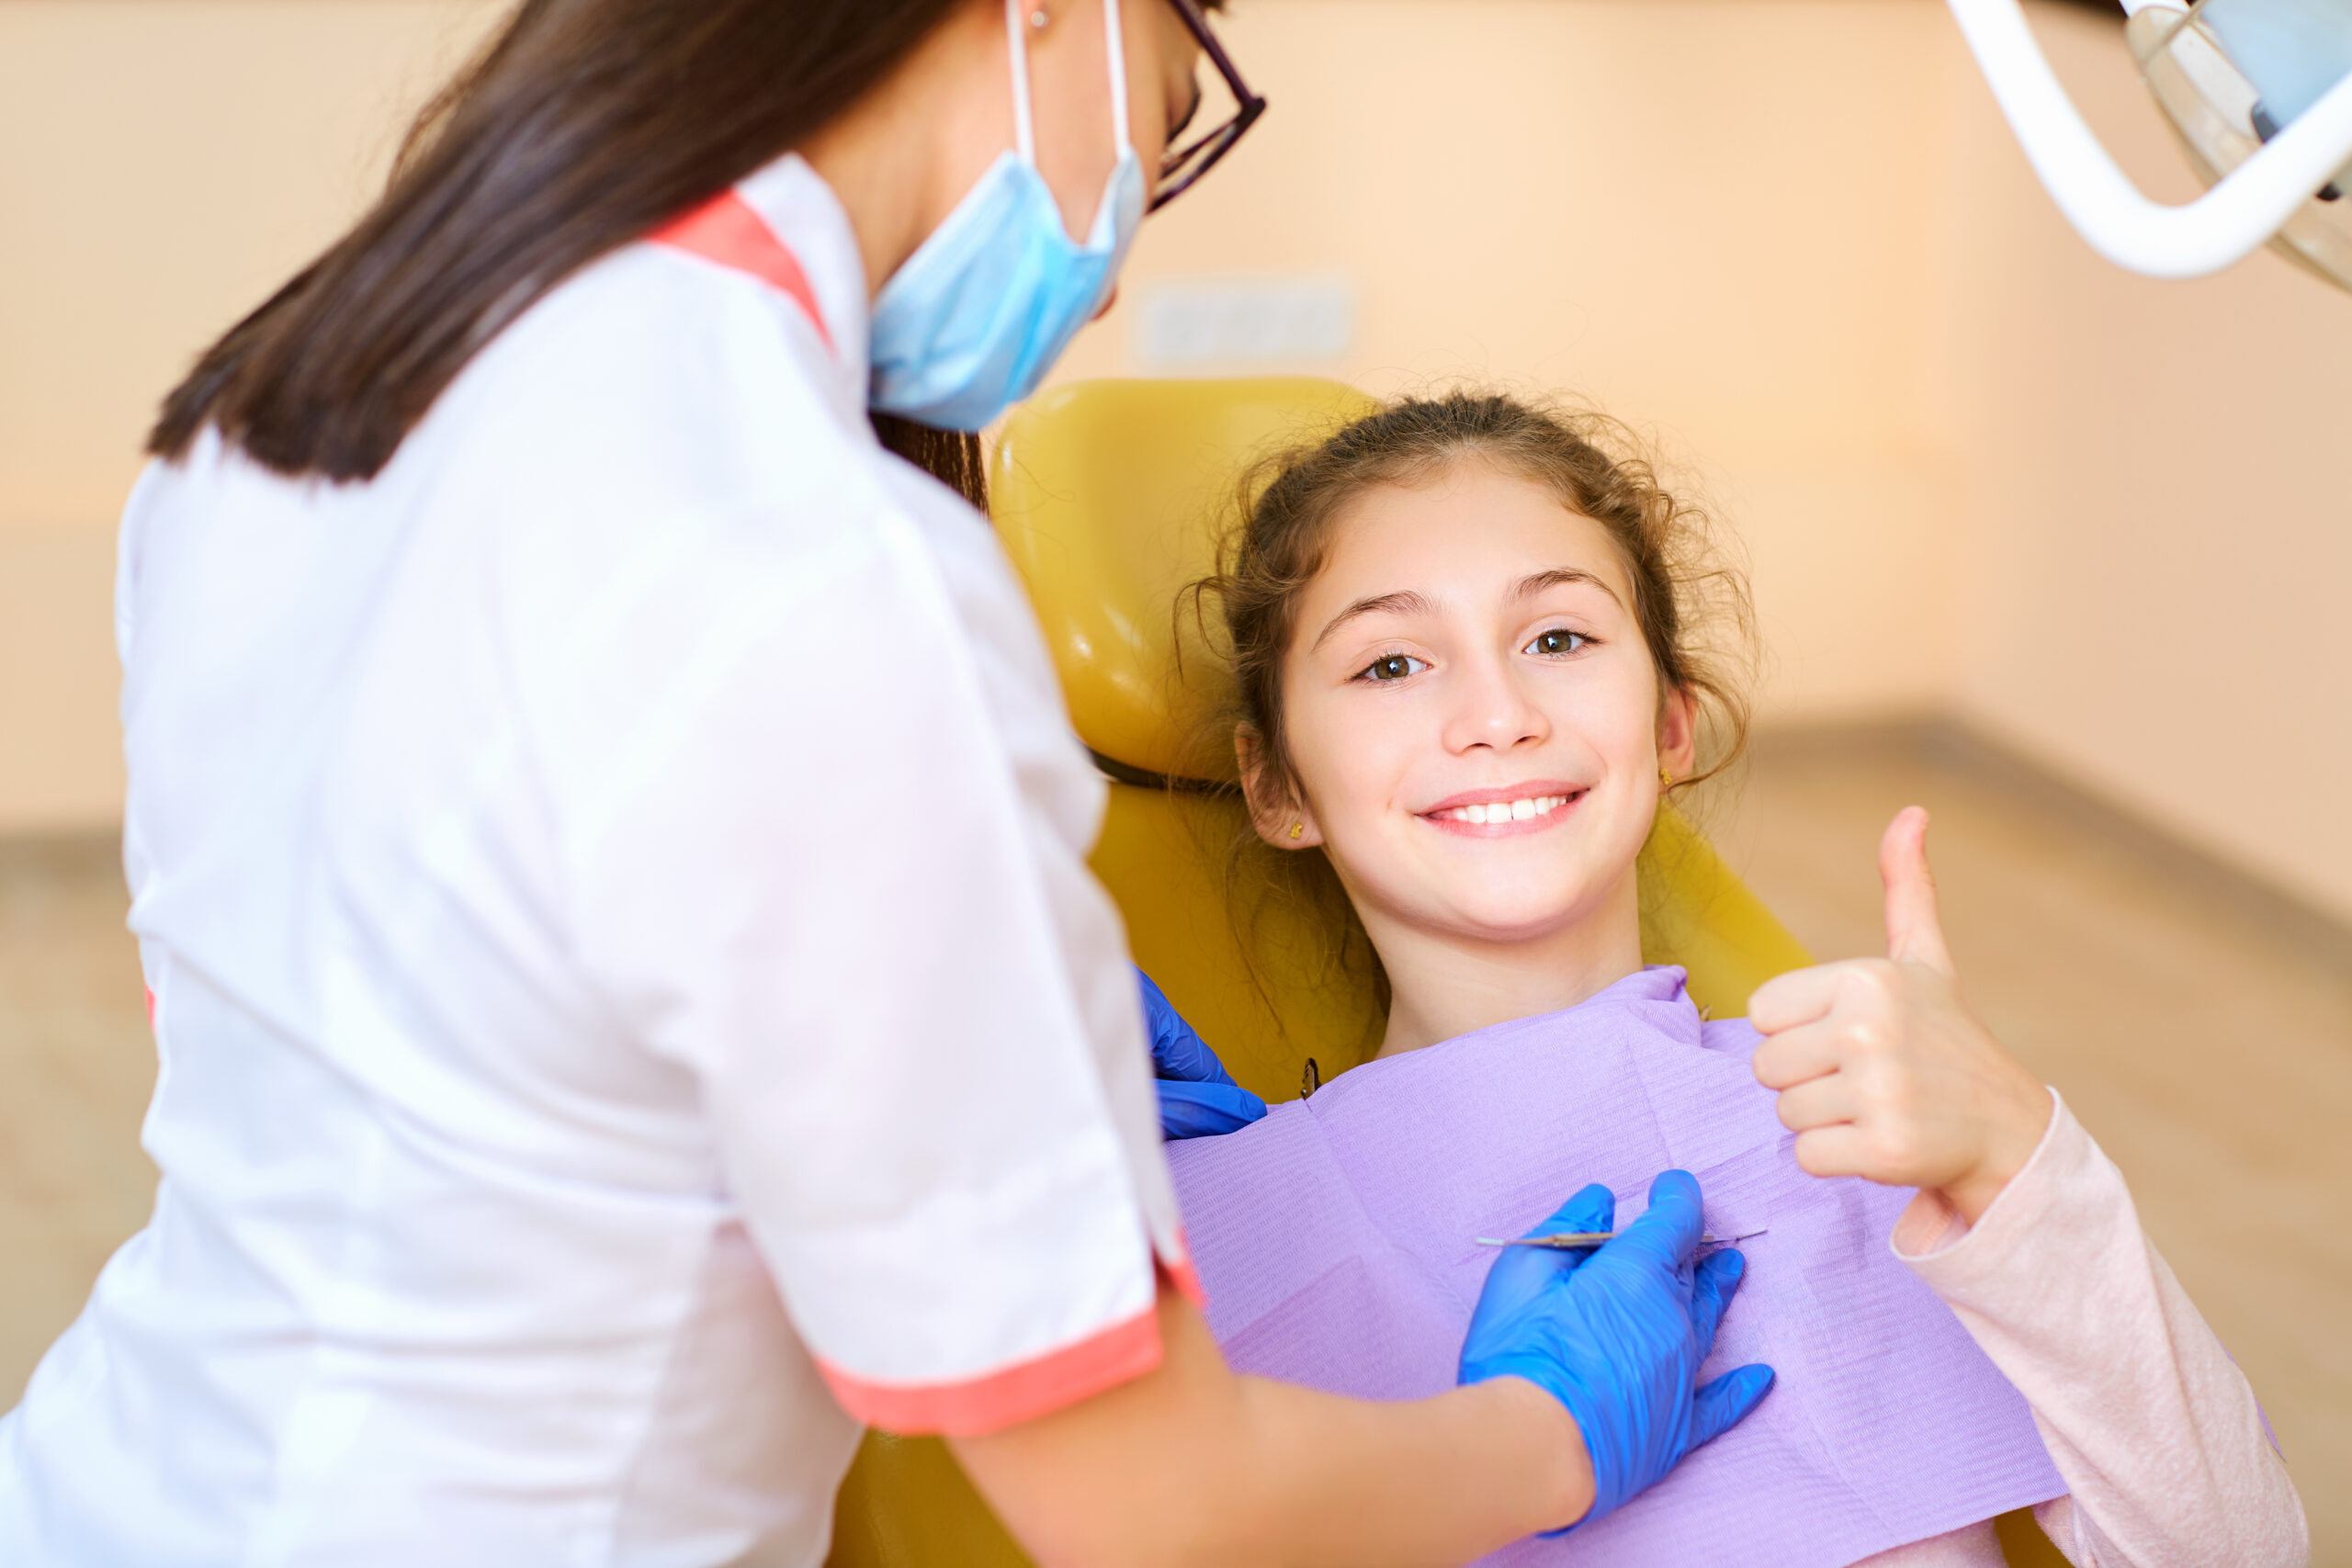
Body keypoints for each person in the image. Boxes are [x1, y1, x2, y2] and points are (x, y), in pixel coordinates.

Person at [0, 4, 1773, 1565]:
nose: (1133, 222)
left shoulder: (271, 414)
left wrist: (1002, 1114)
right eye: (1180, 80)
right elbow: (1146, 1504)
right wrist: (1550, 1433)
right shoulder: (819, 570)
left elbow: (379, 1060)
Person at [1163, 389, 2310, 1565]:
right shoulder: (1211, 1241)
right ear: (1278, 786)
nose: (1495, 714)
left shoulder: (1859, 1133)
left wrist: (2025, 1164)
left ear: (1670, 725)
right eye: (1391, 662)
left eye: (1557, 639)